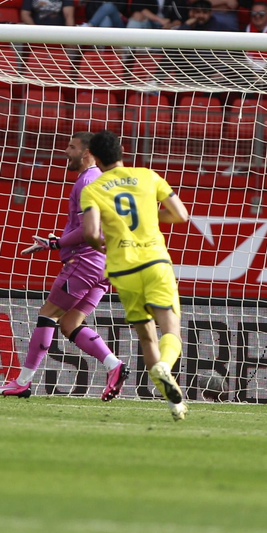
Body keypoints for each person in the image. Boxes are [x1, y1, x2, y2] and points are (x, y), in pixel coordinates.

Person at [0, 133, 128, 399]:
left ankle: (22, 382)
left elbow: (87, 231)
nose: (65, 150)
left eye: (72, 146)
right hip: (104, 266)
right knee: (70, 323)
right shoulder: (102, 181)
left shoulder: (87, 182)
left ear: (88, 152)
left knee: (48, 315)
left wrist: (55, 244)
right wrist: (55, 242)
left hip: (85, 261)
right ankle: (114, 365)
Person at [77, 130, 191, 421]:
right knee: (170, 329)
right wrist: (154, 218)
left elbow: (90, 233)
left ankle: (173, 403)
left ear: (96, 157)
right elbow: (180, 214)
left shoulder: (93, 188)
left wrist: (100, 243)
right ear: (121, 151)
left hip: (122, 268)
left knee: (146, 337)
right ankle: (166, 368)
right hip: (154, 262)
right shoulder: (148, 176)